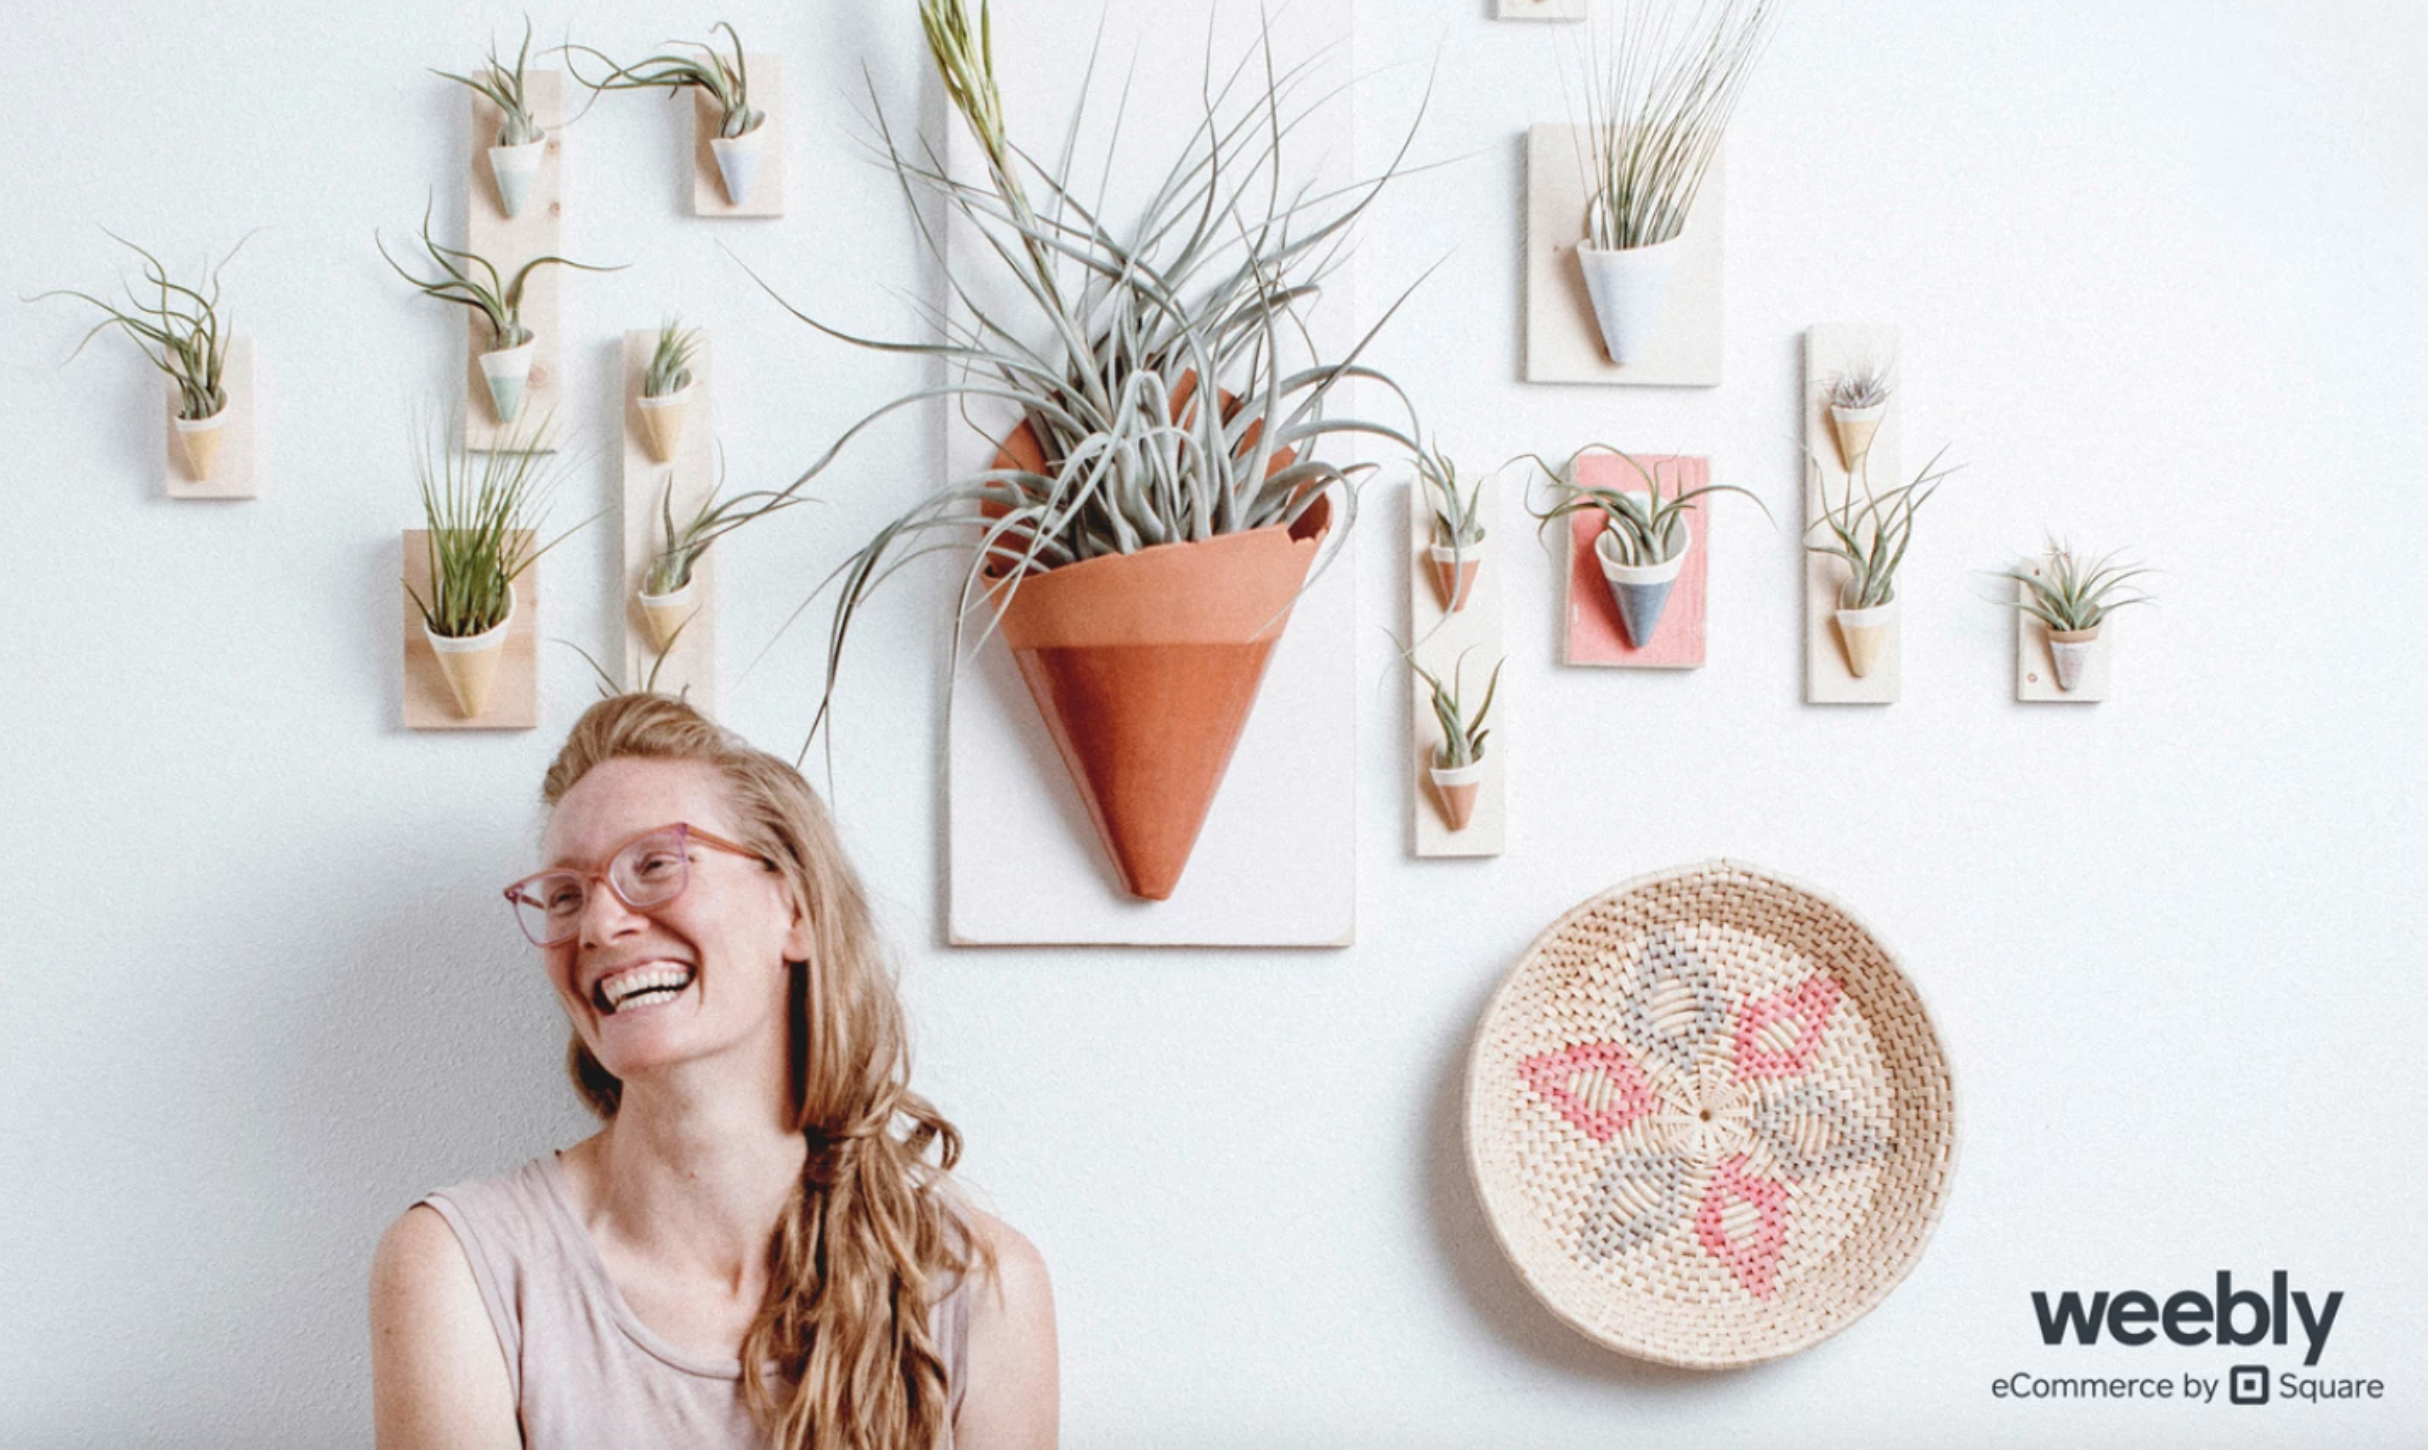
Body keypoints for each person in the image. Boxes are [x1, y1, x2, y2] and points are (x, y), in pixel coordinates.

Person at [368, 694, 1057, 1449]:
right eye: (566, 895)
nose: (599, 926)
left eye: (656, 864)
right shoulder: (465, 1266)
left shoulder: (977, 1289)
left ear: (793, 909)